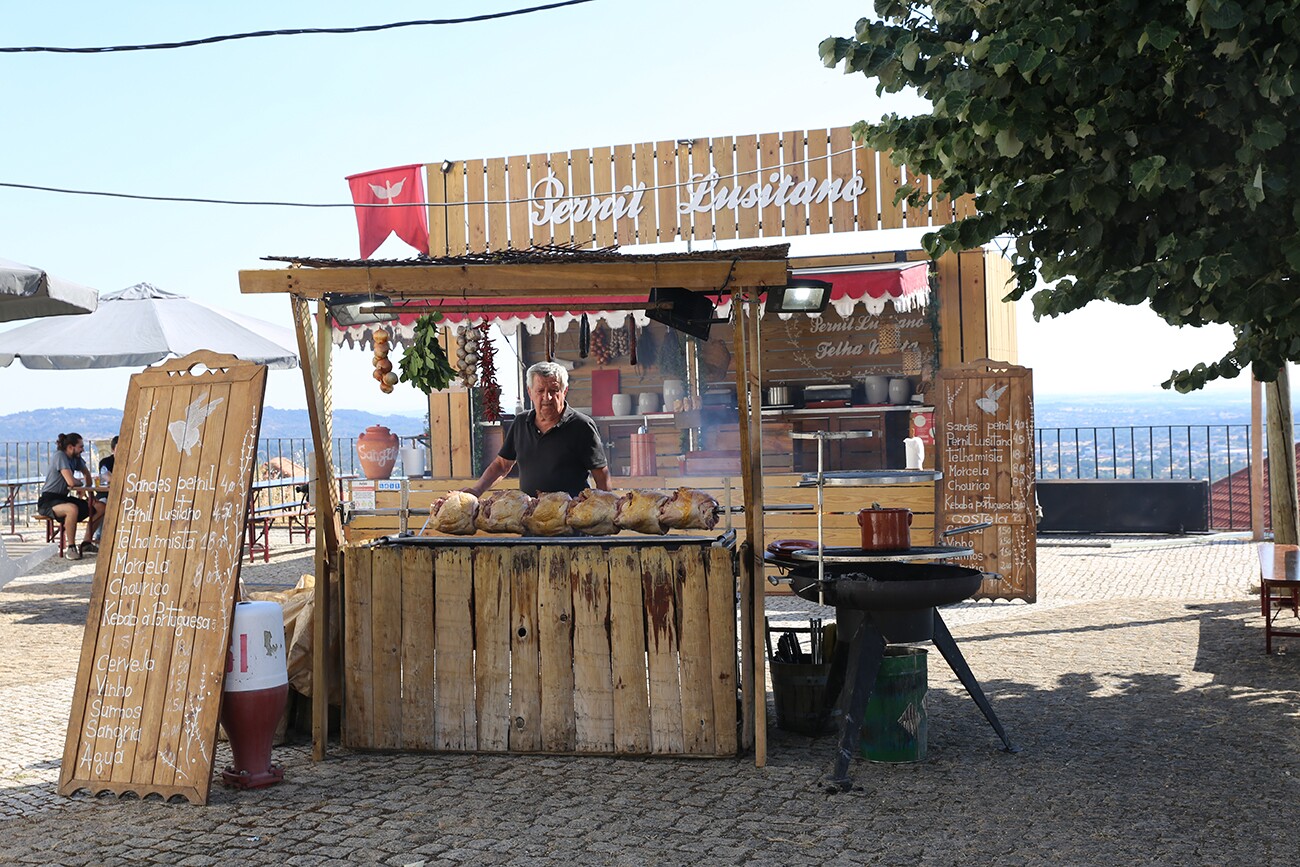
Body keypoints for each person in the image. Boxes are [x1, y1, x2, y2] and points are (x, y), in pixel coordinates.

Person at [465, 361, 611, 498]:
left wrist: (606, 507)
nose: (547, 397)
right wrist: (476, 490)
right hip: (529, 512)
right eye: (540, 391)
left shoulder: (582, 426)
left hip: (570, 513)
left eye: (553, 390)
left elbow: (601, 475)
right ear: (530, 392)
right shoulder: (521, 422)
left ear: (564, 391)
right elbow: (501, 465)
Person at [36, 432, 106, 561]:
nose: (83, 449)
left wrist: (88, 493)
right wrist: (80, 484)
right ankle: (71, 548)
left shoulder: (76, 458)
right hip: (48, 500)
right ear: (70, 447)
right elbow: (71, 482)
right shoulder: (60, 456)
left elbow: (87, 475)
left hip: (63, 498)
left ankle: (86, 542)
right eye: (80, 446)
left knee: (101, 507)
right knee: (72, 509)